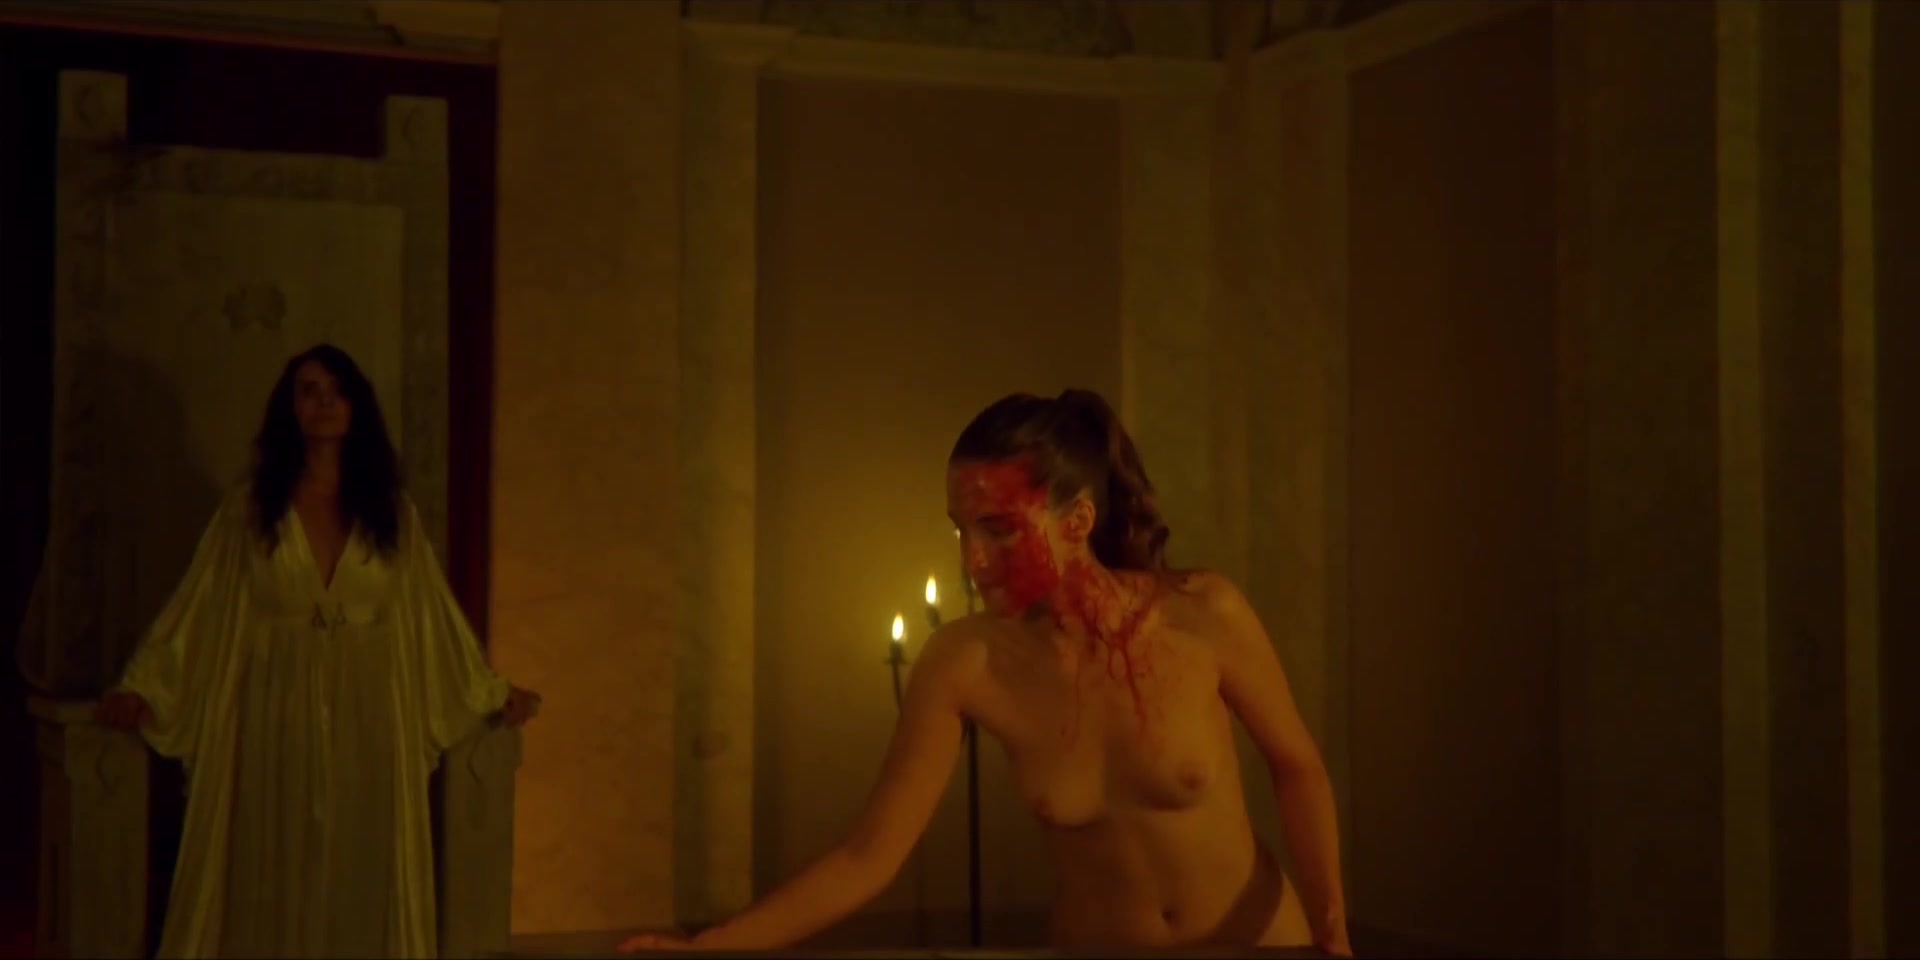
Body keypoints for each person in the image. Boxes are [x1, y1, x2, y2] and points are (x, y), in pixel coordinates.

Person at [623, 389, 1349, 955]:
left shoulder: (1202, 614)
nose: (971, 560)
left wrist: (1333, 932)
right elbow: (867, 857)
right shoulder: (965, 662)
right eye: (960, 530)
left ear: (1076, 523)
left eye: (998, 530)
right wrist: (709, 949)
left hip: (1255, 947)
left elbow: (1298, 767)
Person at [95, 343, 539, 959]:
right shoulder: (251, 510)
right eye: (309, 390)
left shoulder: (392, 513)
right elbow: (199, 606)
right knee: (272, 866)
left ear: (355, 407)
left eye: (336, 390)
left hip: (369, 716)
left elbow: (431, 617)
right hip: (274, 712)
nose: (324, 402)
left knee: (358, 865)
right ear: (291, 408)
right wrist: (145, 686)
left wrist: (489, 691)